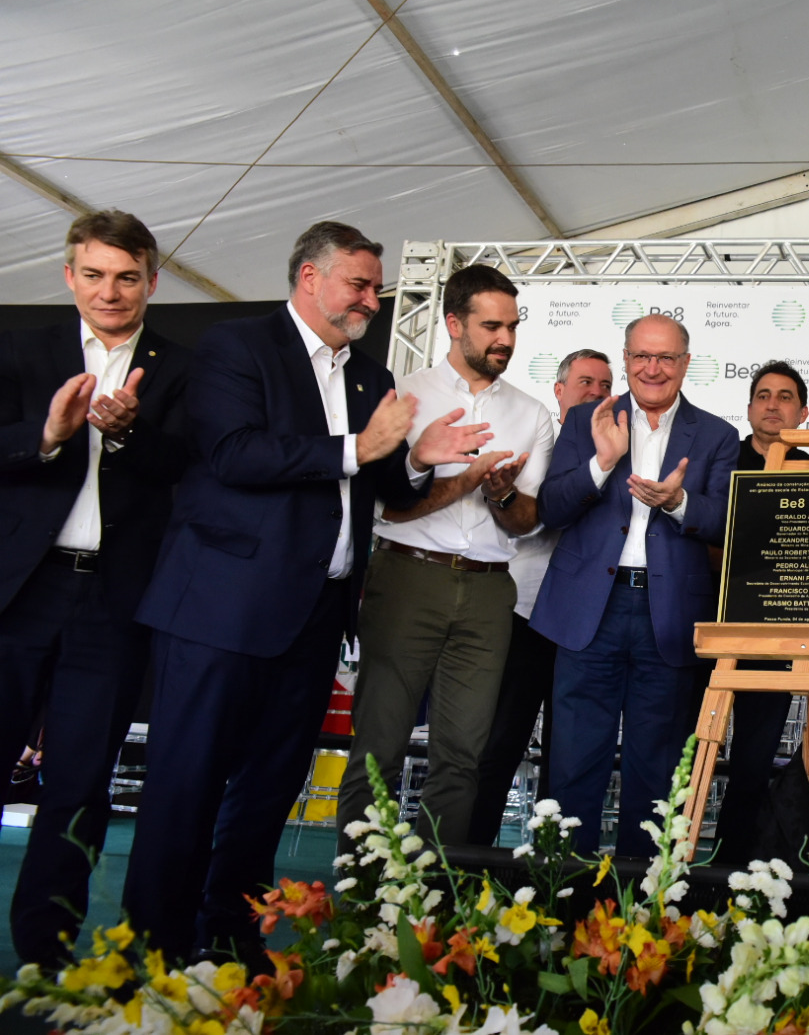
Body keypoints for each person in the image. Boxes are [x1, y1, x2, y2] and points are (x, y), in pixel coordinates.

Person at [125, 221, 490, 962]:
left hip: (315, 617)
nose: (372, 298)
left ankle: (229, 936)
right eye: (358, 283)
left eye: (375, 286)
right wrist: (365, 447)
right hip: (219, 612)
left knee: (267, 791)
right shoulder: (237, 346)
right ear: (310, 279)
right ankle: (152, 953)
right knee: (185, 786)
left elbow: (383, 485)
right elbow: (234, 454)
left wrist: (418, 457)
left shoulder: (370, 376)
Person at [0, 210, 191, 966]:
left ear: (151, 280)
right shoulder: (20, 351)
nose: (109, 291)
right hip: (19, 592)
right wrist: (47, 436)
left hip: (114, 602)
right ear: (69, 275)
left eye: (125, 276)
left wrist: (131, 433)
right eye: (94, 274)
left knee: (78, 784)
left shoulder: (184, 368)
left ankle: (46, 955)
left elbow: (191, 465)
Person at [335, 264, 554, 849]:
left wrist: (501, 491)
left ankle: (437, 912)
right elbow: (388, 507)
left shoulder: (533, 414)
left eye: (511, 326)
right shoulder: (403, 393)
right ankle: (362, 901)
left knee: (462, 757)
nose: (504, 339)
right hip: (406, 576)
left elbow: (526, 523)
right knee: (378, 748)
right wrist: (425, 462)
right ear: (453, 323)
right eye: (490, 326)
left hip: (489, 590)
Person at [531, 314, 739, 857]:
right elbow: (550, 509)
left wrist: (679, 503)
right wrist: (602, 462)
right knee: (574, 764)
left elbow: (727, 522)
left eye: (666, 358)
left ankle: (643, 915)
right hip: (587, 615)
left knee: (658, 771)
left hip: (666, 617)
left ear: (685, 364)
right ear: (624, 359)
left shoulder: (717, 435)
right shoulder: (585, 420)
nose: (653, 369)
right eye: (642, 357)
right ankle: (560, 903)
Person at [469, 348, 612, 846]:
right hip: (523, 613)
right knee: (499, 744)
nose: (595, 393)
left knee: (568, 757)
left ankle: (554, 871)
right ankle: (468, 866)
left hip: (584, 622)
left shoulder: (620, 447)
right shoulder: (541, 438)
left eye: (604, 385)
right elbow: (534, 516)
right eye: (584, 383)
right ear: (559, 390)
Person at [713, 361, 809, 867]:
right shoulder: (718, 459)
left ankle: (731, 868)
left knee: (752, 761)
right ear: (750, 406)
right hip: (706, 623)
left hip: (773, 634)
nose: (773, 405)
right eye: (764, 395)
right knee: (690, 753)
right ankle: (672, 865)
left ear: (804, 410)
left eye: (786, 396)